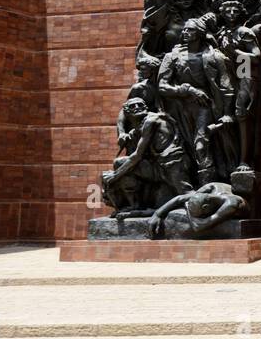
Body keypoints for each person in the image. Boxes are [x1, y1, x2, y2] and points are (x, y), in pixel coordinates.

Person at [157, 18, 233, 184]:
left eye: (190, 30)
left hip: (205, 107)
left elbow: (226, 86)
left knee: (200, 145)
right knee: (183, 148)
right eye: (184, 29)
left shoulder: (213, 56)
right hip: (179, 109)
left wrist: (227, 113)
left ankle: (207, 188)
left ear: (199, 32)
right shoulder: (172, 57)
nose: (185, 32)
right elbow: (162, 86)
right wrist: (187, 90)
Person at [103, 99, 191, 214]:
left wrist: (115, 176)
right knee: (119, 163)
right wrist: (123, 133)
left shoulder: (151, 121)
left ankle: (154, 212)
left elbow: (137, 156)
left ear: (146, 107)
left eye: (140, 105)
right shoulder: (145, 122)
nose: (137, 107)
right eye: (132, 106)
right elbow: (133, 129)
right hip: (158, 165)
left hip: (173, 162)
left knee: (187, 193)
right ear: (127, 112)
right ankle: (135, 205)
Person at [148, 182, 248, 238]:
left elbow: (198, 226)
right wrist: (157, 214)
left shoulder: (231, 204)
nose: (200, 217)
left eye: (200, 215)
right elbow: (180, 198)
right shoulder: (211, 188)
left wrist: (187, 207)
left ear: (206, 207)